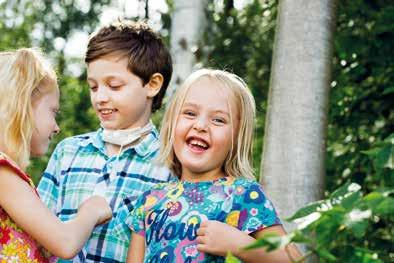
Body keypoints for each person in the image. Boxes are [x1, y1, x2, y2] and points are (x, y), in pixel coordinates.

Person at [124, 69, 302, 262]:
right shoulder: (149, 200)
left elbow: (295, 260)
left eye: (218, 120)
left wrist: (240, 245)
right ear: (172, 123)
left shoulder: (244, 195)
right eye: (190, 113)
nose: (200, 125)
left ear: (236, 138)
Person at [37, 20, 173, 262]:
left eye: (114, 86)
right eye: (93, 86)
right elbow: (37, 233)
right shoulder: (68, 152)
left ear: (152, 85)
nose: (100, 97)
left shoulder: (170, 165)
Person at [0, 48, 112, 262]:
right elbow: (65, 242)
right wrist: (90, 211)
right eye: (54, 112)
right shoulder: (3, 172)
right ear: (23, 106)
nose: (56, 127)